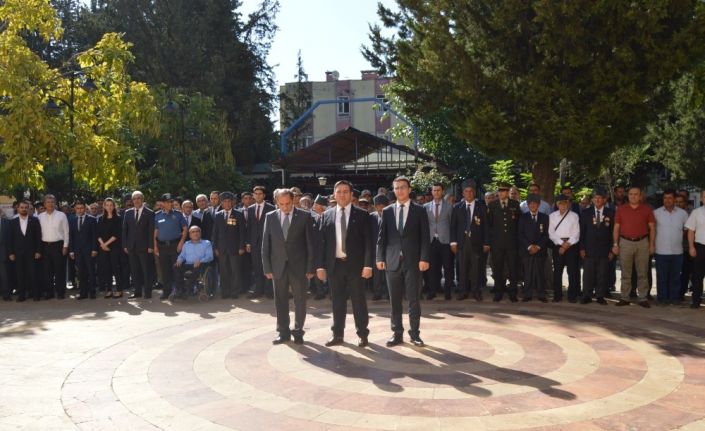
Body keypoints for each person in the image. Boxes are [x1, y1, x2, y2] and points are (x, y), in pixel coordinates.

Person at [317, 180, 373, 347]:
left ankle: (362, 334)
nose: (342, 194)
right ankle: (337, 334)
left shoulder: (362, 215)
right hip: (335, 265)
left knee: (358, 301)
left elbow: (368, 242)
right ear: (334, 194)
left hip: (356, 265)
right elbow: (322, 243)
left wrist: (368, 265)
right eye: (339, 191)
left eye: (345, 191)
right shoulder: (326, 215)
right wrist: (320, 266)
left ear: (351, 194)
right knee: (337, 301)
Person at [376, 176, 430, 347]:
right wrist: (379, 258)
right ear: (393, 190)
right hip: (392, 262)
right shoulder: (387, 211)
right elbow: (381, 238)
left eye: (403, 187)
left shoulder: (419, 210)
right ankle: (397, 333)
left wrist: (424, 258)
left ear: (409, 189)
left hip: (413, 262)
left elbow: (425, 237)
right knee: (394, 301)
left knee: (414, 300)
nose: (399, 190)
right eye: (396, 188)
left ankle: (415, 334)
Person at [262, 188, 316, 345]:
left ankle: (298, 331)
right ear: (276, 202)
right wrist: (267, 267)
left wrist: (310, 267)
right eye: (281, 204)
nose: (285, 207)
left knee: (300, 300)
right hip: (277, 266)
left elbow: (310, 244)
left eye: (288, 203)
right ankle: (283, 332)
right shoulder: (270, 217)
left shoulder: (304, 216)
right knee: (280, 300)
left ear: (293, 201)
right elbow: (265, 244)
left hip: (299, 266)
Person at [612, 186, 655, 308]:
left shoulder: (647, 209)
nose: (633, 196)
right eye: (631, 194)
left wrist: (651, 244)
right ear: (628, 195)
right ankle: (624, 297)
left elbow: (652, 228)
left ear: (640, 196)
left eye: (636, 194)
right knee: (626, 272)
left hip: (642, 242)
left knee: (643, 272)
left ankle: (643, 298)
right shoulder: (621, 209)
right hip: (625, 242)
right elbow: (616, 228)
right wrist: (615, 244)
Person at [450, 181, 490, 301]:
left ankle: (476, 291)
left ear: (474, 193)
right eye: (466, 191)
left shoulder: (481, 207)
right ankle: (463, 291)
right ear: (463, 193)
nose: (469, 193)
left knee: (476, 268)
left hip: (476, 242)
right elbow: (453, 227)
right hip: (461, 243)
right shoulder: (457, 207)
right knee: (462, 268)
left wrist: (486, 242)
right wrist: (453, 242)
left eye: (471, 191)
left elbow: (486, 227)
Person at [579, 188, 614, 305]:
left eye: (600, 198)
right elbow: (582, 232)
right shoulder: (585, 213)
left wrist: (611, 250)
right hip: (589, 248)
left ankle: (600, 296)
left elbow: (613, 233)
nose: (597, 200)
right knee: (588, 274)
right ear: (592, 200)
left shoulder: (610, 213)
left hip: (604, 249)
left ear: (604, 200)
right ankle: (587, 295)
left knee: (602, 273)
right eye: (595, 198)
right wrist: (582, 248)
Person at [653, 190, 688, 305]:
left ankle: (674, 298)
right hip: (661, 251)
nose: (667, 200)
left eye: (670, 198)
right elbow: (652, 230)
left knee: (675, 277)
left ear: (674, 199)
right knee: (662, 277)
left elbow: (686, 230)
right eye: (665, 198)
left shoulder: (683, 213)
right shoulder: (656, 213)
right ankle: (662, 299)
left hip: (677, 251)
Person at [487, 182, 520, 302]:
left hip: (511, 243)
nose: (502, 193)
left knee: (513, 268)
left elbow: (518, 224)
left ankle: (513, 292)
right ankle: (498, 291)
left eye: (504, 191)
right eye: (500, 191)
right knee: (498, 268)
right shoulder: (492, 205)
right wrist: (491, 241)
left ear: (508, 192)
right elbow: (489, 225)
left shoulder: (515, 204)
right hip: (497, 243)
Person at [212, 192, 246, 299]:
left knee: (235, 271)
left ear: (232, 202)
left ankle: (234, 292)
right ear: (221, 203)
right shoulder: (218, 215)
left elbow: (242, 232)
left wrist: (241, 247)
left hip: (235, 248)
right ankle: (225, 291)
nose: (227, 203)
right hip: (221, 249)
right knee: (223, 271)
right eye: (224, 201)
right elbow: (215, 233)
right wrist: (215, 247)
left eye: (228, 201)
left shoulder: (239, 214)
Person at [153, 193, 188, 300]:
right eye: (168, 202)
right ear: (163, 203)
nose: (170, 204)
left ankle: (180, 291)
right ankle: (166, 292)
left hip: (175, 245)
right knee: (165, 270)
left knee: (177, 269)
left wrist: (181, 242)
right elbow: (155, 232)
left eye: (171, 202)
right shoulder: (158, 215)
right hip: (162, 246)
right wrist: (155, 246)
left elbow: (185, 229)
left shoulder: (178, 214)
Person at [122, 191, 155, 299]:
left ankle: (148, 292)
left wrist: (151, 246)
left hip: (145, 247)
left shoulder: (149, 213)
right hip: (131, 247)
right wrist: (125, 245)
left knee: (146, 270)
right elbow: (125, 230)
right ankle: (137, 292)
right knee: (134, 271)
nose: (136, 200)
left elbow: (151, 231)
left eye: (139, 198)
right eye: (134, 198)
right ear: (132, 200)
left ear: (142, 199)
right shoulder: (128, 213)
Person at [549, 194, 581, 302]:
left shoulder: (574, 216)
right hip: (558, 246)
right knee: (557, 272)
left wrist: (567, 244)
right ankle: (557, 296)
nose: (562, 205)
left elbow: (576, 233)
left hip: (571, 246)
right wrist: (561, 243)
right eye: (560, 203)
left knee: (572, 272)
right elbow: (551, 233)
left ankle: (572, 296)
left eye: (565, 203)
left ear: (568, 204)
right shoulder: (552, 216)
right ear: (557, 204)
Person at [8, 201, 42, 301]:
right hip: (18, 253)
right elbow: (10, 239)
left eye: (26, 207)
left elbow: (38, 237)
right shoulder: (12, 222)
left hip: (32, 252)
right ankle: (21, 295)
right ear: (17, 209)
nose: (24, 209)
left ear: (28, 209)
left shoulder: (34, 220)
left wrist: (38, 251)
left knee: (33, 274)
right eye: (22, 207)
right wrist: (11, 253)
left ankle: (36, 295)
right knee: (20, 275)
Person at [517, 194, 549, 302]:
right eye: (530, 204)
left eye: (535, 204)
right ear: (528, 205)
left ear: (539, 205)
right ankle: (527, 294)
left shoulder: (545, 217)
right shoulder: (523, 217)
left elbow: (546, 234)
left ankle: (541, 294)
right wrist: (530, 246)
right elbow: (520, 234)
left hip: (540, 250)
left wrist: (538, 246)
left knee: (540, 273)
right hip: (527, 250)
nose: (533, 205)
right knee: (528, 273)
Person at [37, 194, 70, 299]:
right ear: (44, 204)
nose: (50, 204)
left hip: (58, 246)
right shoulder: (40, 217)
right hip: (45, 246)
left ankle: (60, 292)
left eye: (52, 202)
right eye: (48, 202)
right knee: (47, 271)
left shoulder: (61, 215)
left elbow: (66, 232)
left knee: (59, 270)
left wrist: (65, 246)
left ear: (55, 203)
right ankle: (49, 293)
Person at [246, 186, 276, 299]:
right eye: (256, 194)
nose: (258, 196)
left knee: (268, 266)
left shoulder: (271, 208)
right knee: (257, 267)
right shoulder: (250, 209)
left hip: (268, 242)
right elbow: (249, 227)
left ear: (263, 195)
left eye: (260, 194)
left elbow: (274, 226)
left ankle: (269, 291)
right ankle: (258, 290)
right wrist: (248, 242)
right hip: (254, 243)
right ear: (253, 195)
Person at [425, 183, 454, 300]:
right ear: (432, 192)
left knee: (447, 267)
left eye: (438, 190)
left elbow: (452, 225)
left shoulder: (449, 206)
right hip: (431, 241)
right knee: (432, 268)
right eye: (434, 190)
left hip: (445, 241)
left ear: (442, 192)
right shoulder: (425, 207)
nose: (436, 192)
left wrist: (453, 242)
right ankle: (432, 291)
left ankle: (447, 291)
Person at [173, 226, 214, 299]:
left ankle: (189, 289)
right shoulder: (186, 244)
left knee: (197, 268)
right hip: (188, 264)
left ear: (200, 233)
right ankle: (180, 289)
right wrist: (179, 260)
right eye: (193, 232)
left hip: (201, 264)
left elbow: (210, 256)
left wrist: (200, 261)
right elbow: (182, 255)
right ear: (190, 235)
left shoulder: (206, 243)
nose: (195, 233)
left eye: (197, 231)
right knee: (176, 266)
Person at [69, 201, 98, 300]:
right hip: (77, 251)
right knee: (80, 272)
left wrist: (94, 249)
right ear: (75, 209)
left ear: (85, 209)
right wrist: (71, 250)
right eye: (78, 208)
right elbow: (71, 236)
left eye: (81, 208)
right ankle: (83, 292)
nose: (80, 210)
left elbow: (94, 235)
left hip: (89, 250)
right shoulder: (72, 220)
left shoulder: (92, 219)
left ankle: (92, 292)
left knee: (91, 271)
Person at [96, 198, 125, 298]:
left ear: (114, 206)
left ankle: (119, 290)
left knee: (115, 268)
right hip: (103, 247)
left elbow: (116, 234)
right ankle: (109, 290)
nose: (109, 207)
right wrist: (103, 245)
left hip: (115, 246)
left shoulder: (118, 218)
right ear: (104, 206)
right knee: (106, 269)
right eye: (107, 205)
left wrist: (106, 244)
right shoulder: (100, 219)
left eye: (111, 205)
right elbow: (98, 234)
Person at [685, 189, 705, 308]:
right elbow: (691, 231)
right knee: (697, 276)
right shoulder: (696, 212)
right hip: (700, 247)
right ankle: (696, 301)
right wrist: (691, 247)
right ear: (702, 198)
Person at [370, 194, 389, 301]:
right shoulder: (370, 217)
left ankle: (388, 293)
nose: (380, 207)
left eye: (382, 205)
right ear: (374, 206)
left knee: (387, 272)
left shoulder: (391, 216)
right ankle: (377, 292)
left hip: (388, 249)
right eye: (378, 205)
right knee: (376, 274)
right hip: (375, 249)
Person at [676, 194, 692, 302]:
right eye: (676, 201)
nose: (678, 204)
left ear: (685, 203)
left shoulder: (690, 215)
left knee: (685, 272)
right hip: (673, 248)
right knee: (674, 272)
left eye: (680, 202)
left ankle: (681, 293)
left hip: (685, 248)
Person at [0, 213, 9, 301]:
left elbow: (10, 238)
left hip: (3, 254)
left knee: (4, 275)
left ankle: (6, 294)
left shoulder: (7, 222)